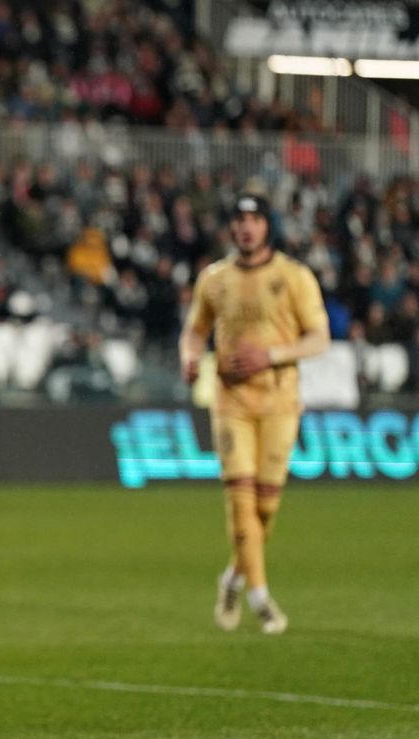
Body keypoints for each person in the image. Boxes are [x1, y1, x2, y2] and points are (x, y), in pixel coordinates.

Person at [180, 194, 329, 634]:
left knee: (265, 507)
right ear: (231, 228)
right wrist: (190, 358)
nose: (246, 227)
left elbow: (319, 338)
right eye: (240, 220)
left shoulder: (293, 276)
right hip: (232, 402)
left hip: (280, 400)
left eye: (255, 219)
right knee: (240, 496)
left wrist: (272, 355)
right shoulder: (214, 279)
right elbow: (195, 330)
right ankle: (261, 596)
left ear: (268, 226)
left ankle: (232, 577)